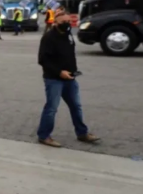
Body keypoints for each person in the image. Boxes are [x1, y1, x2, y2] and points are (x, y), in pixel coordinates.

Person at [37, 8, 100, 147]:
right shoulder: (48, 37)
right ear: (55, 23)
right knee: (52, 108)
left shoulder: (68, 34)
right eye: (63, 22)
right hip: (54, 79)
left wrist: (73, 71)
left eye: (68, 21)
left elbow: (70, 55)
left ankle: (82, 133)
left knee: (76, 106)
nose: (67, 24)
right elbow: (43, 60)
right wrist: (59, 72)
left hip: (70, 78)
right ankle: (43, 135)